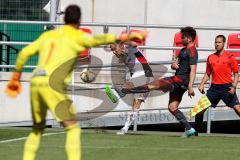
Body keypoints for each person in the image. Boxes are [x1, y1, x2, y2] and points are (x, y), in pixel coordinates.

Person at [5, 5, 146, 160]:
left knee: (37, 129)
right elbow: (101, 40)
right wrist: (124, 38)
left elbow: (24, 53)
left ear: (64, 19)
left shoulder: (48, 36)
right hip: (53, 85)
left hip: (36, 82)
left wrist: (15, 78)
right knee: (72, 130)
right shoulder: (77, 37)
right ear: (79, 20)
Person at [113, 26, 198, 137]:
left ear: (190, 38)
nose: (181, 39)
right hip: (179, 81)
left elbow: (193, 69)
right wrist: (174, 65)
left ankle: (126, 91)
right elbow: (176, 64)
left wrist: (190, 86)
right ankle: (190, 129)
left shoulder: (192, 51)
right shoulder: (183, 51)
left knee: (153, 85)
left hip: (180, 80)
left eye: (183, 37)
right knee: (172, 107)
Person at [195, 35, 240, 136]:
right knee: (199, 109)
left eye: (219, 42)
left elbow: (236, 74)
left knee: (238, 108)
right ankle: (195, 132)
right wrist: (202, 84)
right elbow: (207, 73)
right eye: (216, 42)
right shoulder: (210, 57)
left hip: (227, 88)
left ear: (224, 43)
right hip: (214, 89)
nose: (217, 44)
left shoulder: (230, 57)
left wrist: (234, 87)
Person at [110, 37, 154, 135]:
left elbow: (133, 44)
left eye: (115, 50)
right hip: (138, 76)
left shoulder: (130, 48)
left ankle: (118, 96)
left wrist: (122, 41)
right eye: (113, 51)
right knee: (135, 105)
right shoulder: (122, 56)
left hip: (145, 75)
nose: (114, 53)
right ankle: (125, 128)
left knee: (136, 103)